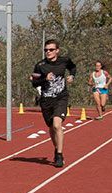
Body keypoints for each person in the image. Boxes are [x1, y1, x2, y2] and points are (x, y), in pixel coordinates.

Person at [30, 39, 76, 167]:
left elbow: (72, 67)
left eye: (51, 50)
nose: (48, 52)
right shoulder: (40, 65)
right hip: (46, 100)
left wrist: (72, 76)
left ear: (57, 51)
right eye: (46, 50)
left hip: (61, 98)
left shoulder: (64, 61)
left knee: (57, 125)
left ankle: (60, 155)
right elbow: (34, 83)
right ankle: (57, 149)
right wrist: (45, 79)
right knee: (51, 128)